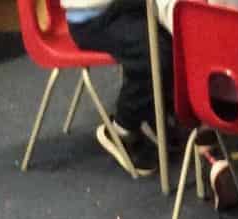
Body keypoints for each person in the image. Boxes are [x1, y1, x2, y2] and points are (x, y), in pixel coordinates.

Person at [64, 0, 174, 178]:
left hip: (123, 9)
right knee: (154, 56)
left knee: (176, 35)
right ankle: (122, 129)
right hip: (94, 18)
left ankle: (159, 113)